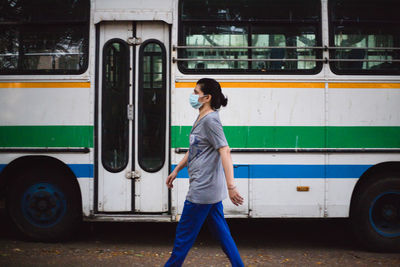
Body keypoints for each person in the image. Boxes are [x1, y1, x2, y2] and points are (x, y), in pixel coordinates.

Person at [164, 78, 245, 267]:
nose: (192, 96)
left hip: (202, 189)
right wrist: (176, 169)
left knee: (183, 238)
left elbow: (224, 150)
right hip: (210, 191)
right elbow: (194, 149)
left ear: (206, 97)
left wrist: (231, 186)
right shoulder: (203, 116)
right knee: (223, 235)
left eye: (195, 92)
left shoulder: (210, 120)